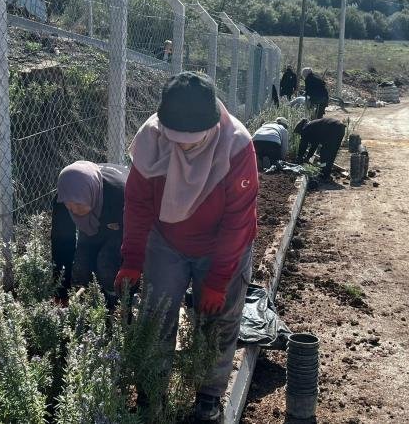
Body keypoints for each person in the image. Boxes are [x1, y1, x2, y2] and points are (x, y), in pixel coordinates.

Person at [114, 71, 257, 421]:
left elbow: (237, 222)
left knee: (218, 322)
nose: (181, 147)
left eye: (191, 142)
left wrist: (218, 280)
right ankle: (151, 391)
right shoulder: (151, 138)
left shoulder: (237, 146)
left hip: (221, 245)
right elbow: (137, 204)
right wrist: (132, 259)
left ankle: (208, 396)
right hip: (167, 242)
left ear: (212, 127)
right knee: (156, 315)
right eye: (174, 139)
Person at [51, 161, 128, 308]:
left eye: (78, 204)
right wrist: (61, 292)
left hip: (120, 218)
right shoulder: (64, 199)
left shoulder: (120, 195)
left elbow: (136, 237)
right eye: (69, 204)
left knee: (107, 265)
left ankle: (117, 307)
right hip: (96, 212)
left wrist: (132, 269)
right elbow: (61, 245)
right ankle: (89, 306)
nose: (73, 210)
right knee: (81, 267)